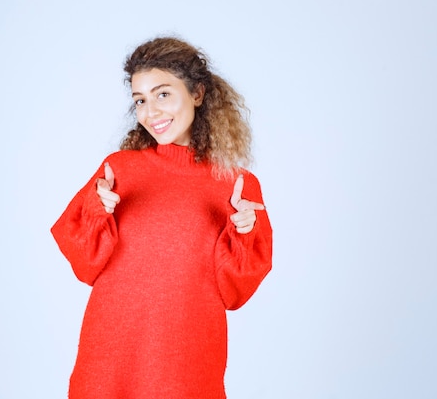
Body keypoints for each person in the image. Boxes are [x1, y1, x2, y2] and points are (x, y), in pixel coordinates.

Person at [51, 36, 273, 399]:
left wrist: (243, 234)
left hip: (187, 358)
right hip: (110, 355)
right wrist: (96, 211)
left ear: (197, 94)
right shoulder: (117, 170)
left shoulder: (236, 185)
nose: (150, 111)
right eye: (140, 99)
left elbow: (235, 293)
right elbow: (84, 266)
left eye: (163, 94)